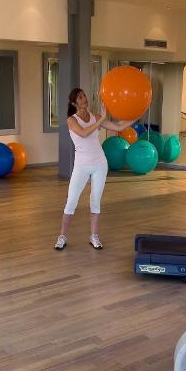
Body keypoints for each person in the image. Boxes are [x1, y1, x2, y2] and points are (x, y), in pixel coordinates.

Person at [55, 87, 135, 251]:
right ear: (74, 103)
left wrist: (136, 116)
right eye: (80, 97)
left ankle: (94, 236)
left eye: (84, 95)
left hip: (100, 164)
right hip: (81, 166)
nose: (84, 99)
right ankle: (62, 236)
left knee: (95, 201)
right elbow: (84, 133)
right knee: (71, 201)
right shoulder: (72, 120)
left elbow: (118, 127)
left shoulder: (96, 117)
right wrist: (101, 119)